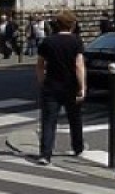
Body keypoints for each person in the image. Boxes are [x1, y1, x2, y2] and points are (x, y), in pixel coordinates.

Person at [35, 9, 86, 166]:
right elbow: (79, 65)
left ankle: (45, 154)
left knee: (49, 121)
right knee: (74, 118)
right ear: (72, 25)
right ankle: (77, 147)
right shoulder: (76, 41)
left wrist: (42, 81)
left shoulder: (48, 42)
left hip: (52, 85)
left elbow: (40, 65)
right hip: (70, 85)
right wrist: (82, 86)